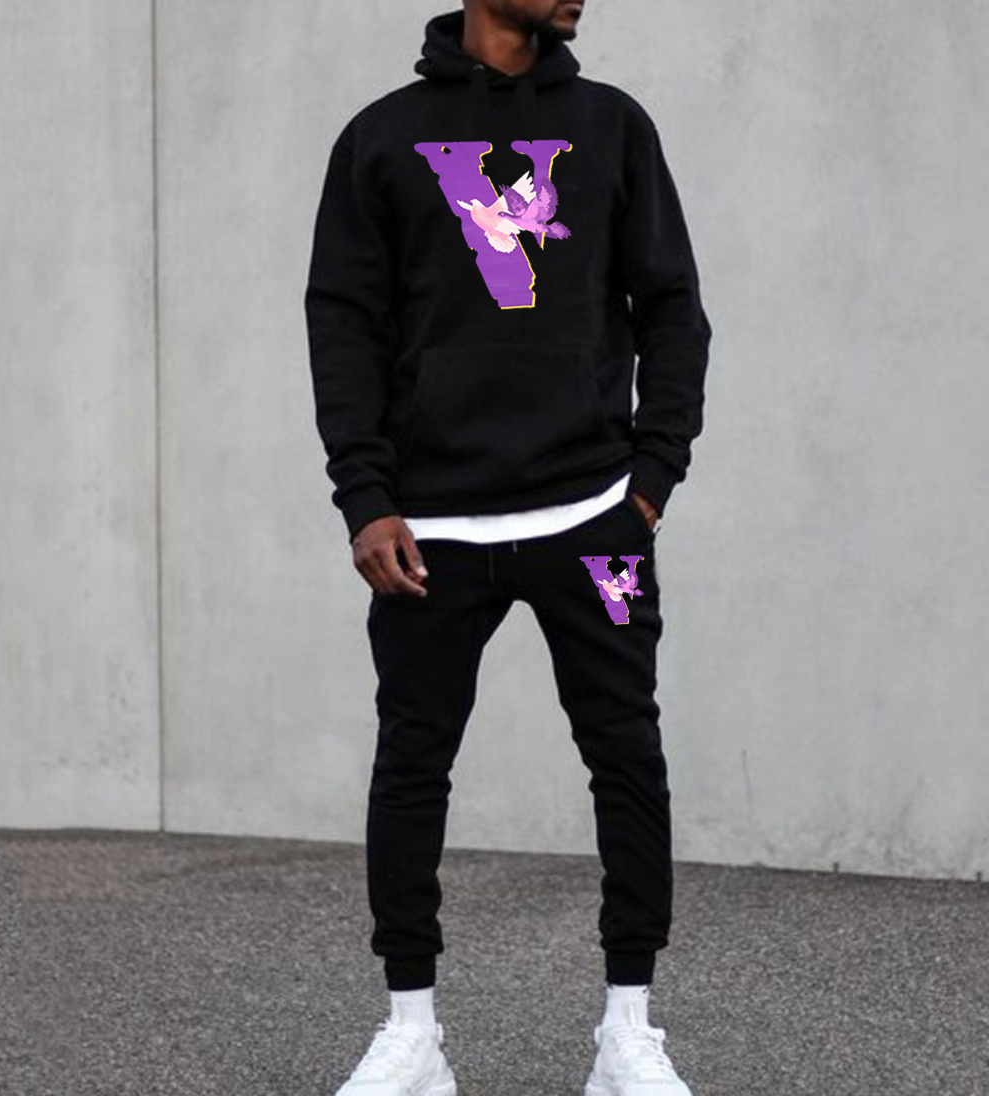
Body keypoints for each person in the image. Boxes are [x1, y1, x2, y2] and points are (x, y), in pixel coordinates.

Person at [304, 2, 711, 1092]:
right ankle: (412, 1035)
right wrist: (365, 498)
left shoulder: (612, 125)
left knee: (626, 756)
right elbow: (343, 323)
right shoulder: (381, 137)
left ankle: (627, 1033)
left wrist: (652, 479)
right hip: (431, 530)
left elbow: (673, 306)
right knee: (412, 767)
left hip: (591, 517)